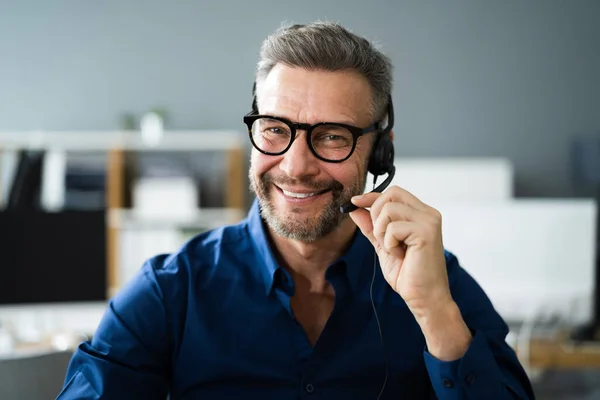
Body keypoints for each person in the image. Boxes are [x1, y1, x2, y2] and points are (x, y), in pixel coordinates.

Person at [58, 22, 534, 399]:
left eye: (331, 136)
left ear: (379, 153)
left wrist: (434, 313)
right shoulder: (170, 291)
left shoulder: (438, 285)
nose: (296, 166)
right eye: (275, 130)